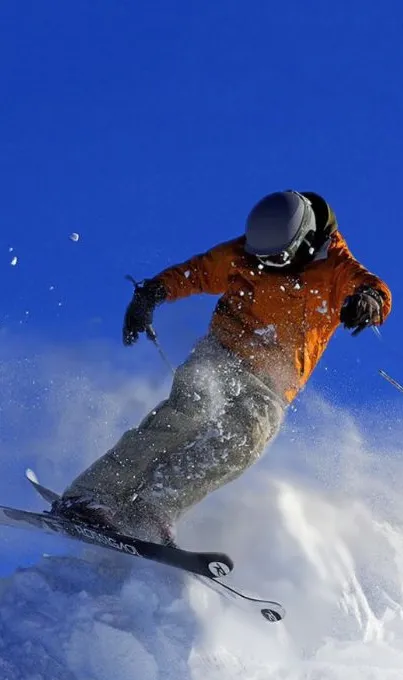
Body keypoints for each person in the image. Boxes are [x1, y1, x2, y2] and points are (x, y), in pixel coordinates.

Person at [53, 190, 392, 544]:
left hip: (274, 384)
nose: (264, 265)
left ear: (303, 243)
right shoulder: (244, 254)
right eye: (259, 257)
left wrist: (370, 301)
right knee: (191, 408)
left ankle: (154, 508)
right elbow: (196, 272)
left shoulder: (335, 266)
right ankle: (93, 494)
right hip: (223, 353)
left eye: (275, 259)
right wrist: (152, 293)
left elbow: (374, 287)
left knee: (244, 439)